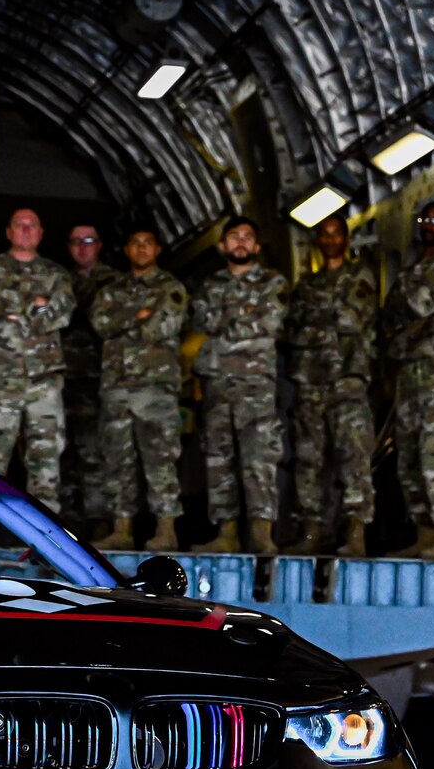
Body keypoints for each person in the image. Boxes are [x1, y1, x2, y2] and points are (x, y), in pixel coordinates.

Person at [187, 217, 286, 554]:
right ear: (222, 246)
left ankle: (261, 532)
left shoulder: (273, 282)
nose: (241, 242)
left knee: (259, 457)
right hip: (217, 384)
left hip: (255, 384)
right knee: (219, 458)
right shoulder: (209, 285)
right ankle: (226, 531)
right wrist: (245, 313)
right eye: (234, 237)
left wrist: (227, 317)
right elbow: (202, 320)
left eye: (247, 236)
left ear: (257, 246)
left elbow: (270, 321)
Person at [283, 215, 378, 554]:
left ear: (346, 240)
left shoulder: (359, 276)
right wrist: (325, 322)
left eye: (337, 234)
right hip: (310, 383)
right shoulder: (307, 284)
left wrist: (314, 324)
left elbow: (353, 319)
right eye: (324, 234)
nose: (330, 239)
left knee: (353, 457)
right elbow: (291, 330)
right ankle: (312, 530)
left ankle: (355, 534)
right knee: (309, 460)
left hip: (346, 382)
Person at [90, 230, 189, 552]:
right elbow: (99, 323)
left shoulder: (171, 288)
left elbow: (163, 327)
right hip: (117, 387)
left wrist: (122, 320)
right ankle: (122, 529)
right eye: (135, 243)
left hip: (155, 388)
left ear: (157, 249)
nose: (142, 248)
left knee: (160, 459)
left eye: (148, 243)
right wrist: (136, 315)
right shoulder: (112, 289)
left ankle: (167, 529)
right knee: (118, 461)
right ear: (127, 249)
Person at [0, 208, 76, 503]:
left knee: (46, 455)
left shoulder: (57, 273)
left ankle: (46, 535)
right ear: (9, 232)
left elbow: (63, 313)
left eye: (33, 225)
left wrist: (19, 311)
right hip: (1, 375)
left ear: (41, 233)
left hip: (44, 378)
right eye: (20, 225)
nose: (26, 230)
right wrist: (40, 305)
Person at [381, 200, 434, 558]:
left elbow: (420, 305)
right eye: (425, 219)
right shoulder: (415, 268)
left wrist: (402, 313)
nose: (429, 225)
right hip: (409, 374)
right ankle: (426, 533)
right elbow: (388, 318)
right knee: (409, 454)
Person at [61, 223, 123, 532]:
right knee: (62, 451)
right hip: (59, 378)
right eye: (76, 242)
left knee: (95, 450)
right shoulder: (59, 280)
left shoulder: (114, 282)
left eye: (89, 241)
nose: (82, 247)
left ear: (99, 245)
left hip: (98, 378)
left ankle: (98, 519)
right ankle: (67, 520)